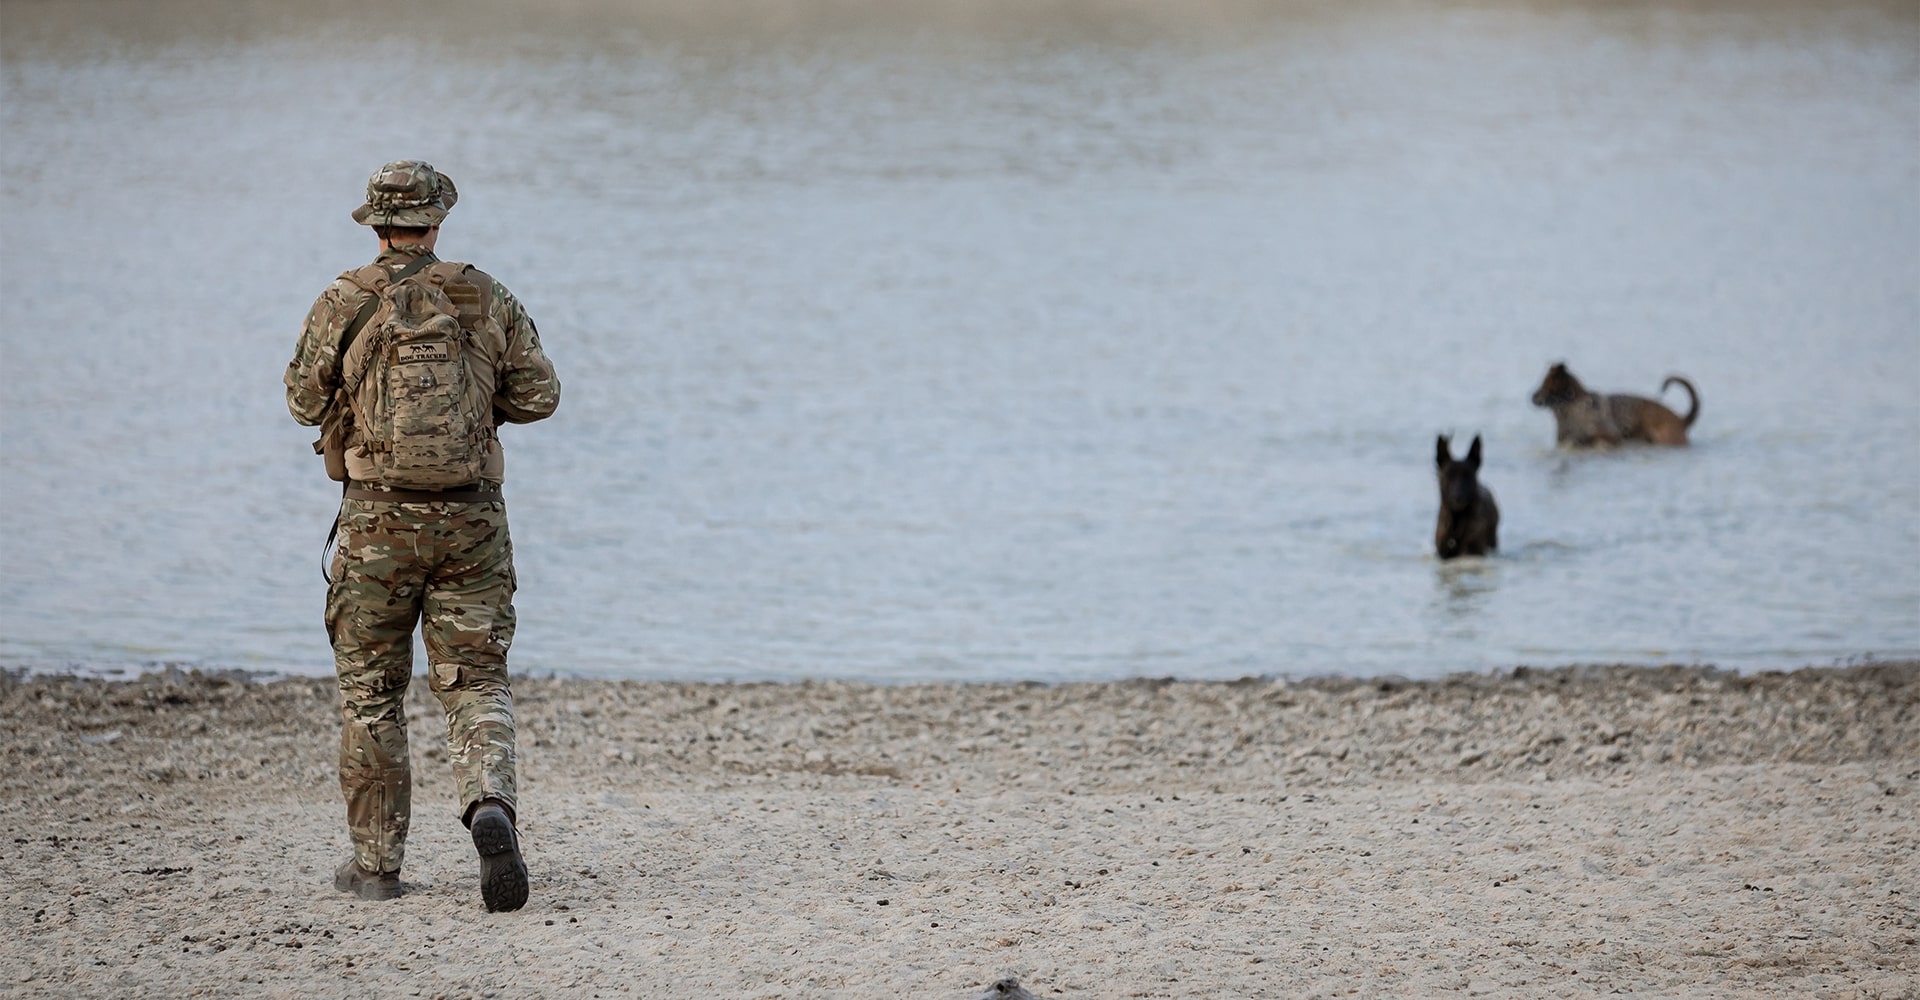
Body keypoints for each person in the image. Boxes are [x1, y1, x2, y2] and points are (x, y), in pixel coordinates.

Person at [284, 160, 560, 911]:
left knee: (372, 691)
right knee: (475, 679)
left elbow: (303, 400)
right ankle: (488, 803)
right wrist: (477, 408)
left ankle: (376, 867)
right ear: (438, 222)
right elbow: (541, 394)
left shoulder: (344, 297)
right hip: (471, 520)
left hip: (377, 523)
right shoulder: (481, 293)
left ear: (375, 225)